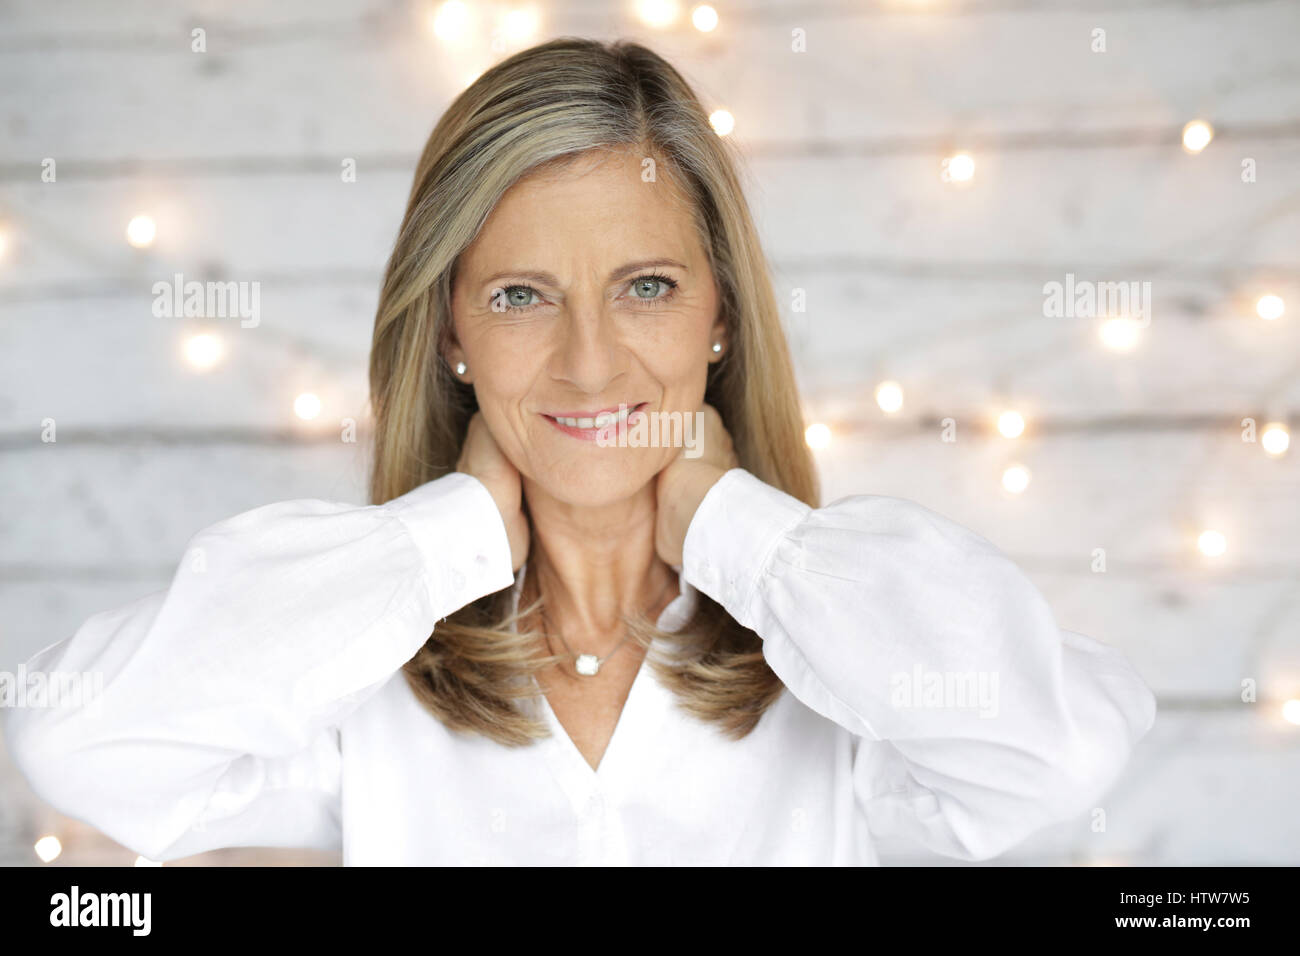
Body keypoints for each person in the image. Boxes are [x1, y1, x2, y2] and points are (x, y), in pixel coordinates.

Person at [3, 38, 1156, 866]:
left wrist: (736, 529)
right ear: (450, 330)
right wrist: (446, 535)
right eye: (520, 295)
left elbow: (1059, 749)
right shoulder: (367, 688)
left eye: (646, 286)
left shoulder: (841, 684)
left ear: (720, 316)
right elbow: (80, 737)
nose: (592, 365)